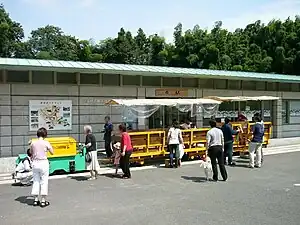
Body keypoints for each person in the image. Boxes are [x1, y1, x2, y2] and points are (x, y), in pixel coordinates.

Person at [30, 127, 53, 207]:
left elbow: (31, 153)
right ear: (45, 134)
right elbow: (52, 152)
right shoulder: (46, 142)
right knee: (44, 181)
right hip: (43, 163)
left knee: (36, 181)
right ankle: (43, 201)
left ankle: (35, 200)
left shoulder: (33, 143)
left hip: (35, 163)